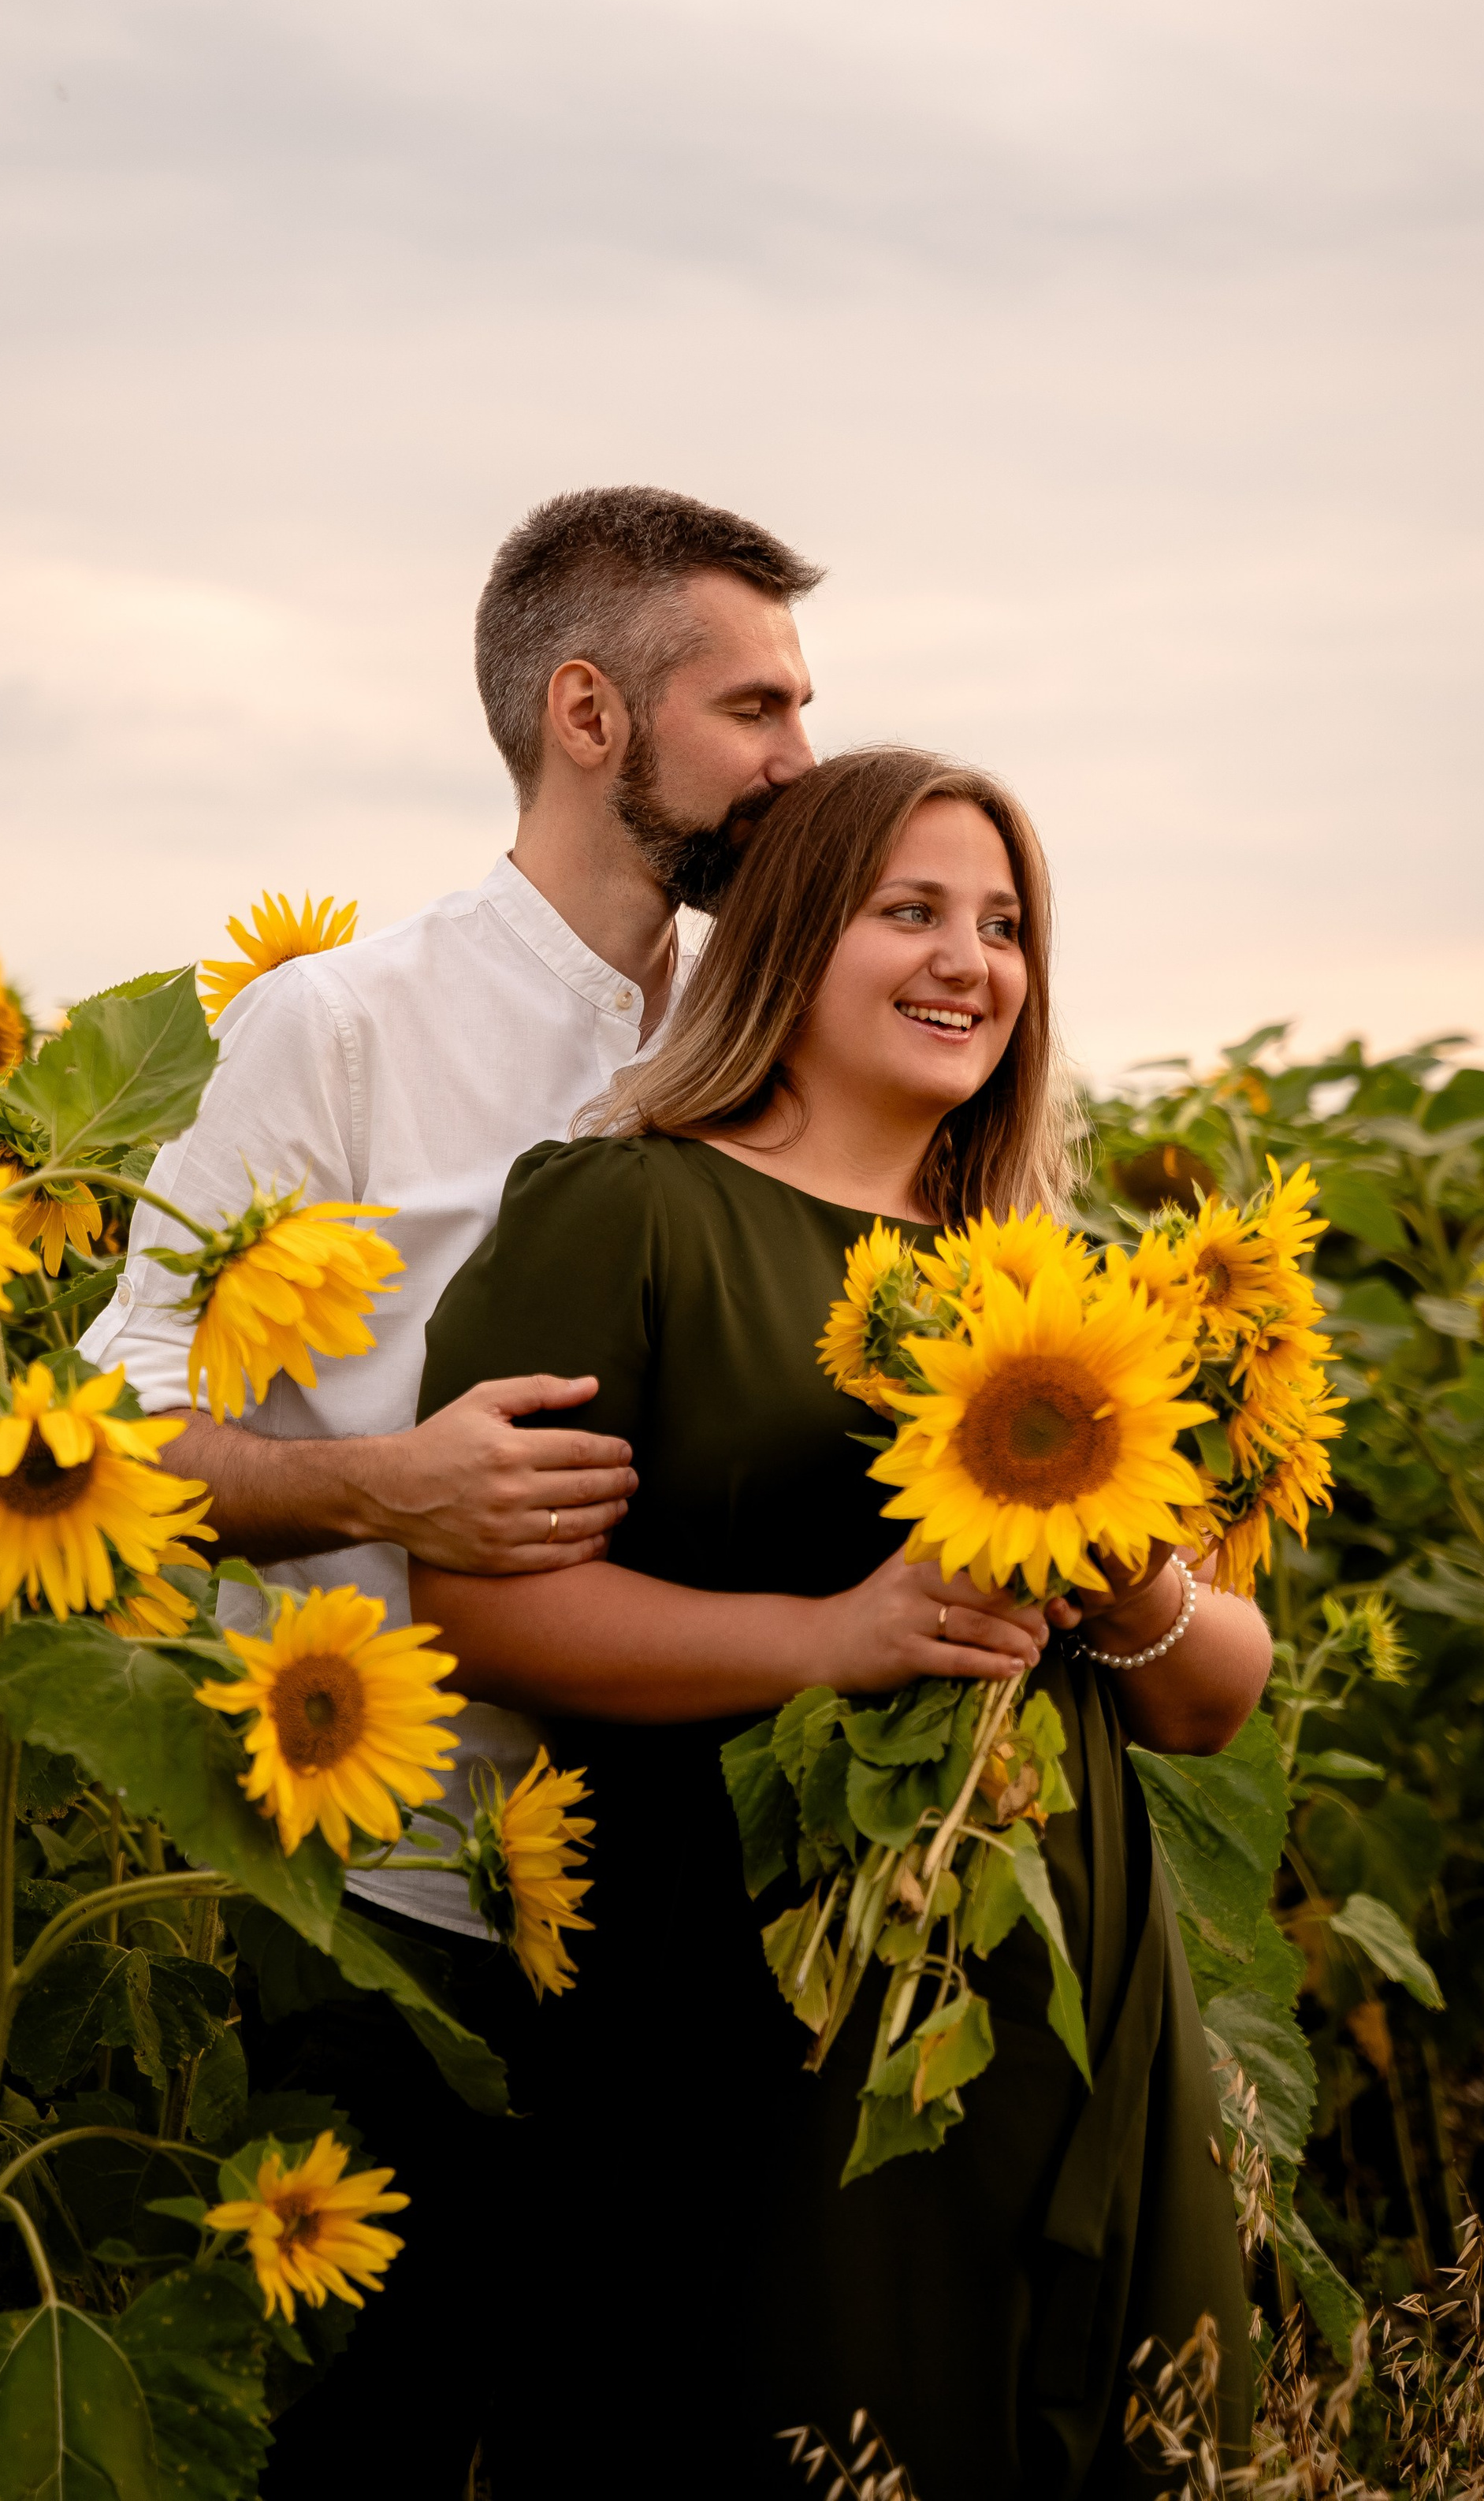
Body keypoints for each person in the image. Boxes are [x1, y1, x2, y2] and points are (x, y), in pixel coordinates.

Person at [414, 746, 1272, 2501]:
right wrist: (834, 1639)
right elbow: (482, 1614)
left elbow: (1210, 1696)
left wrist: (1118, 1573)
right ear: (792, 937)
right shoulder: (628, 1212)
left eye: (1003, 926)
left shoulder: (1056, 1275)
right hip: (752, 1984)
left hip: (1063, 1975)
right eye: (911, 912)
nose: (969, 961)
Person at [80, 483, 823, 2496]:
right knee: (370, 2441)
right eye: (753, 707)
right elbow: (93, 1448)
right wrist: (392, 1487)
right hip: (396, 1898)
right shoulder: (341, 1026)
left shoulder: (765, 1036)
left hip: (697, 1892)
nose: (797, 759)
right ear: (589, 714)